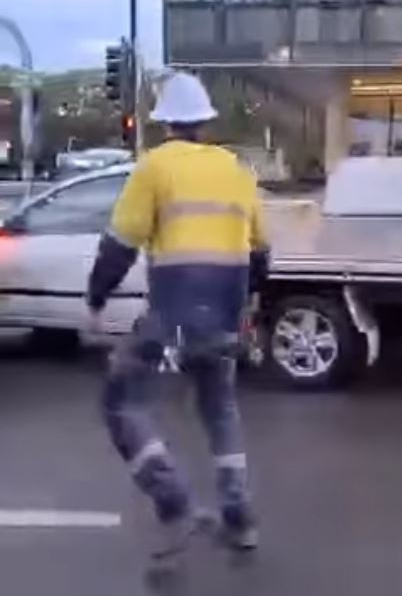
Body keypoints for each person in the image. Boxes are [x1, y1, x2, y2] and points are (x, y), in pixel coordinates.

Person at [86, 72, 270, 561]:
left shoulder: (154, 167)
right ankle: (240, 518)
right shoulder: (236, 169)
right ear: (204, 122)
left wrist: (96, 298)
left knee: (121, 402)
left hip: (173, 315)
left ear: (166, 123)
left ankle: (174, 503)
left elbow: (119, 245)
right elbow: (260, 256)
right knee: (219, 408)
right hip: (224, 315)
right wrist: (246, 311)